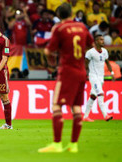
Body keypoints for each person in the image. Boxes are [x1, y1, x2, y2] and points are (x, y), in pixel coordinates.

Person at [38, 3, 93, 153]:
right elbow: (91, 45)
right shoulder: (82, 27)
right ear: (71, 13)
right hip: (82, 72)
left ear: (59, 16)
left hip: (67, 72)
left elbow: (48, 51)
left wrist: (53, 57)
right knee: (76, 108)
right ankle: (73, 145)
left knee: (56, 105)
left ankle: (57, 144)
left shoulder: (59, 28)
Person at [83, 35, 114, 122]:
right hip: (93, 77)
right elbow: (85, 65)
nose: (103, 41)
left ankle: (85, 116)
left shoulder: (104, 51)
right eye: (101, 40)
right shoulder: (90, 52)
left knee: (93, 96)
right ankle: (105, 115)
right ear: (96, 41)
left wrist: (112, 73)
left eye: (103, 40)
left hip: (101, 78)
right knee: (100, 94)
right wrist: (84, 74)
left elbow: (107, 63)